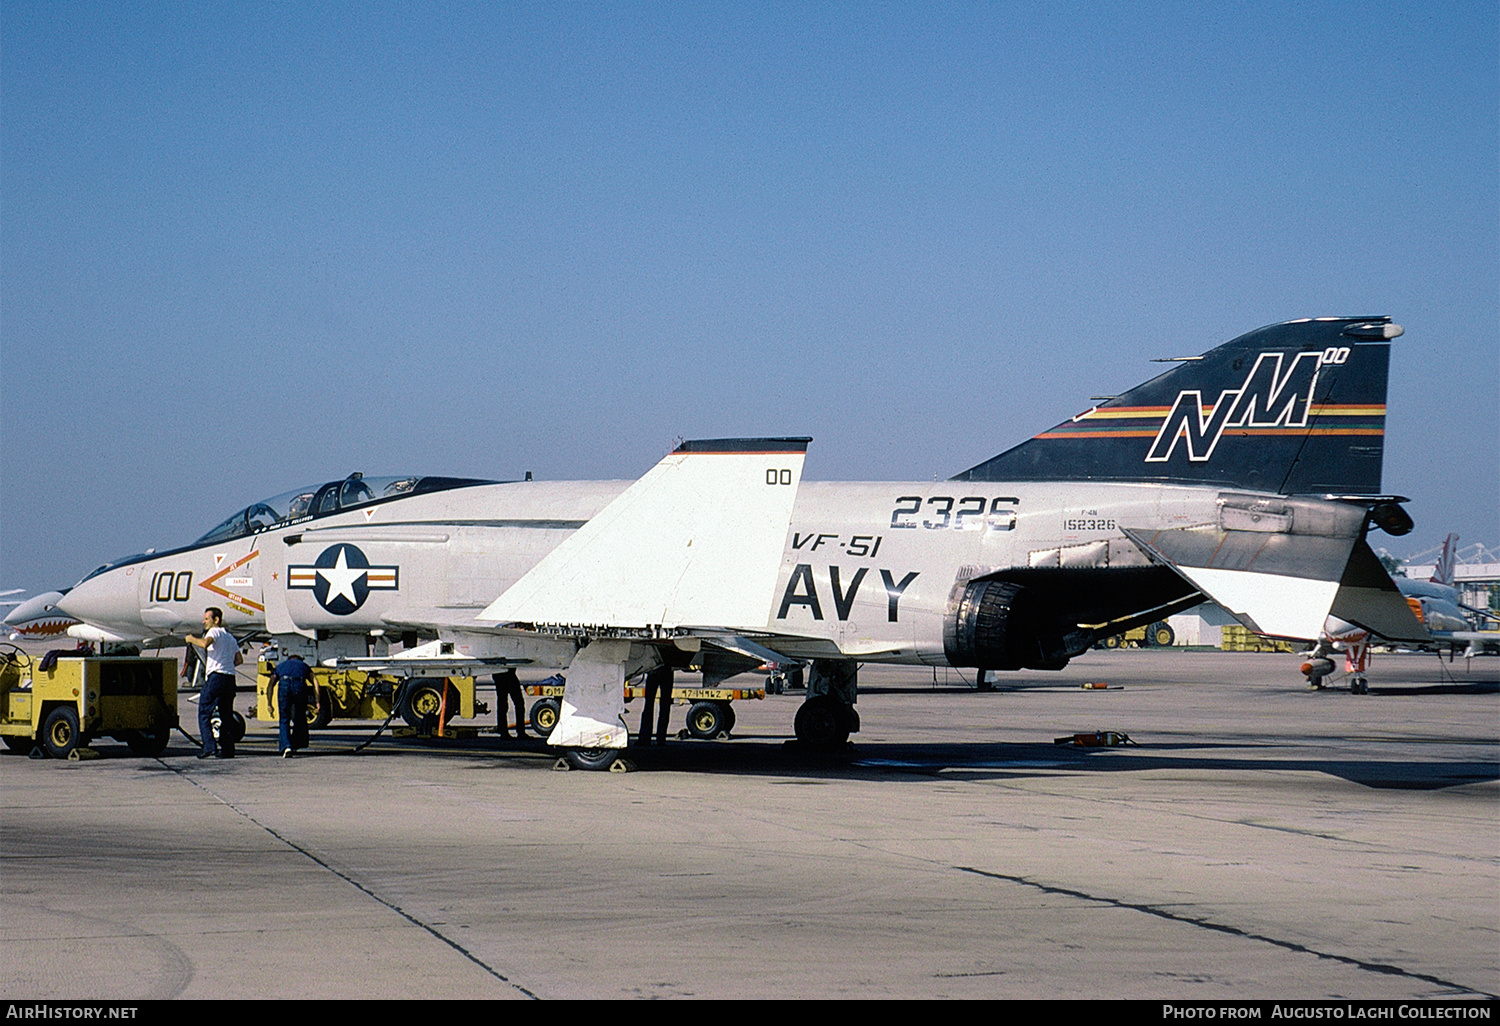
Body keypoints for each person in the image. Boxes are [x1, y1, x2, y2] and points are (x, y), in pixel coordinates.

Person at [185, 607, 241, 759]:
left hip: (216, 677)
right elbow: (239, 659)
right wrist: (226, 665)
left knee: (204, 711)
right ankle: (228, 749)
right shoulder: (230, 637)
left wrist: (191, 639)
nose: (203, 622)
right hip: (229, 678)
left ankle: (209, 746)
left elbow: (204, 644)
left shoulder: (214, 632)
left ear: (216, 620)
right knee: (226, 714)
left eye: (206, 619)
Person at [271, 651, 316, 758]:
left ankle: (286, 747)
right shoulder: (303, 665)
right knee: (299, 716)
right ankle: (296, 743)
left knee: (284, 718)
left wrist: (269, 702)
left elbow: (271, 683)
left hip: (284, 685)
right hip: (299, 685)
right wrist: (317, 702)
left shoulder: (281, 666)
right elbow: (315, 682)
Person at [636, 664, 673, 747]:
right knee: (665, 706)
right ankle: (661, 738)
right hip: (667, 671)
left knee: (649, 705)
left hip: (654, 670)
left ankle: (645, 737)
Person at [493, 669, 526, 740]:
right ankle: (518, 732)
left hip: (502, 673)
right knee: (515, 703)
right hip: (504, 674)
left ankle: (504, 731)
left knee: (504, 703)